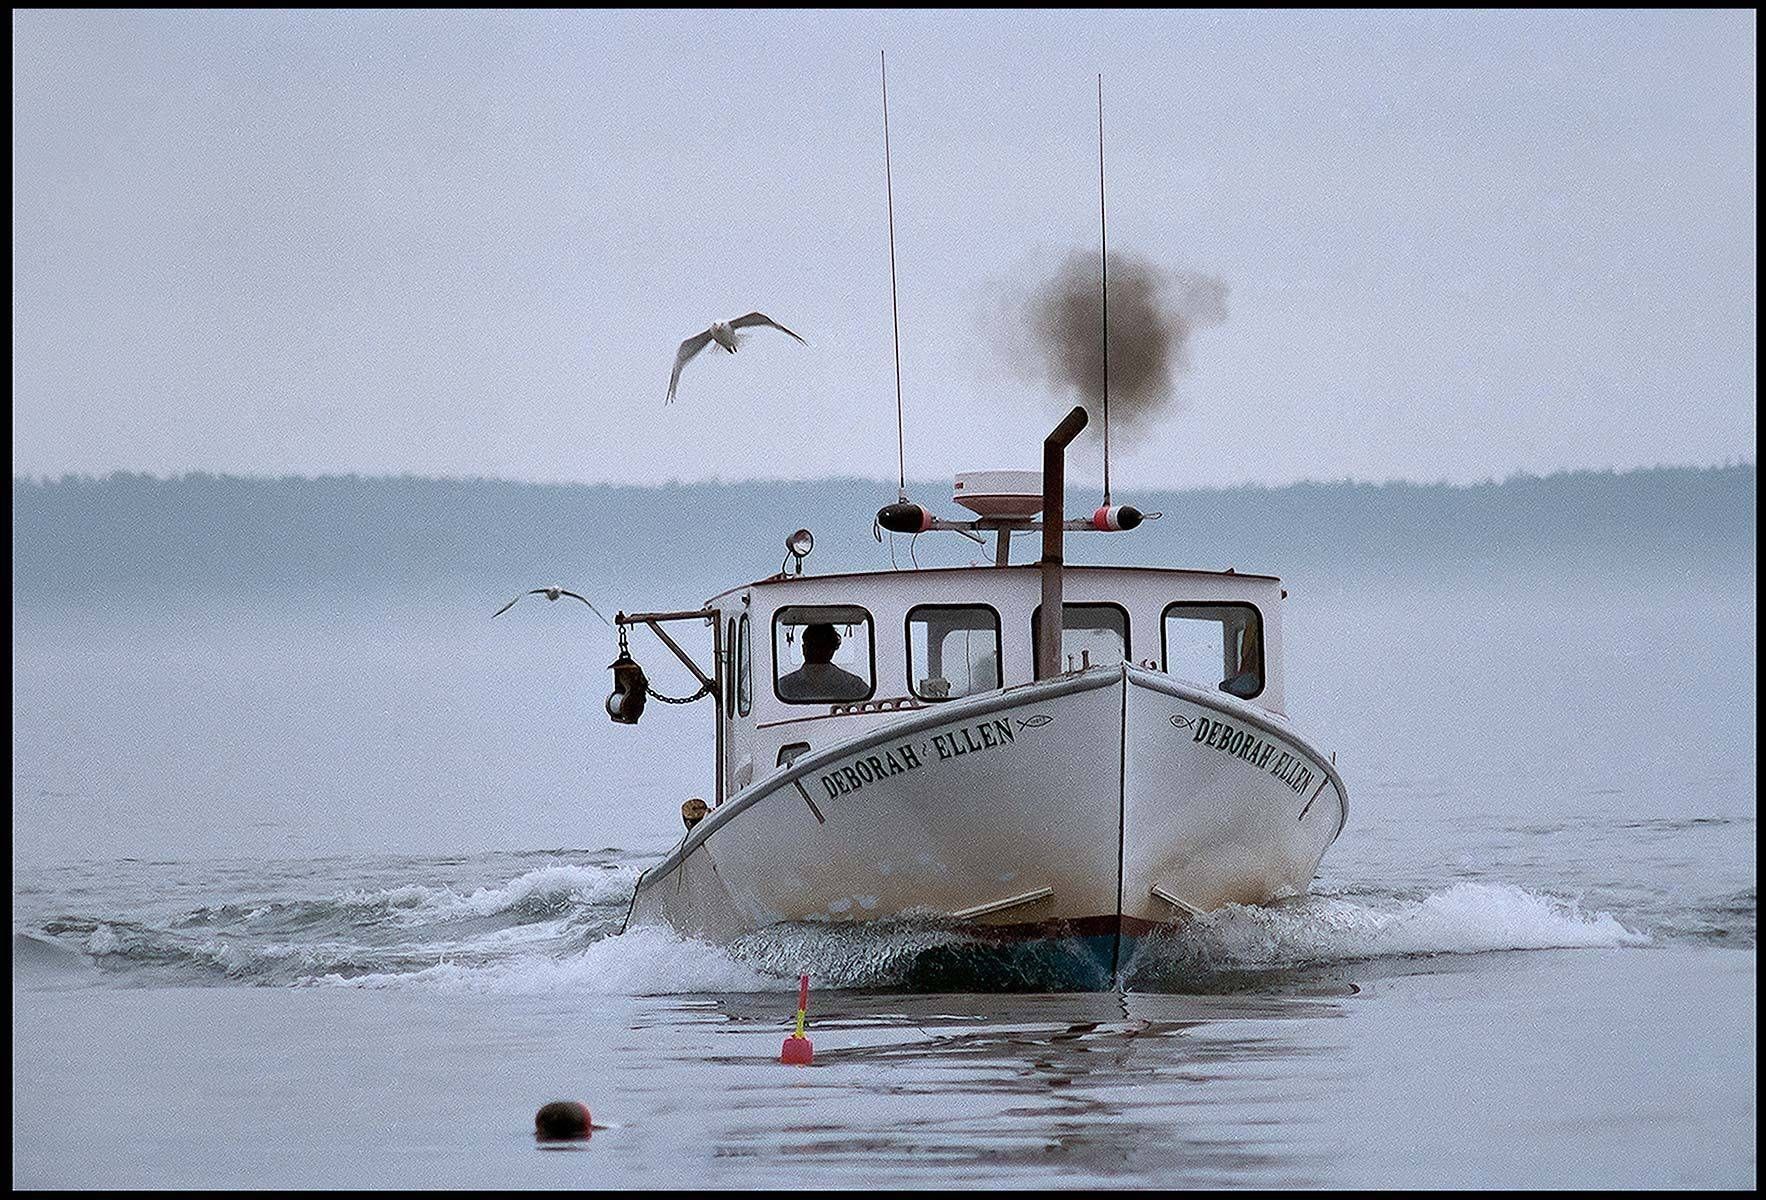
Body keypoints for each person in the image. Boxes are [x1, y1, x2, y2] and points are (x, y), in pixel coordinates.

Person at [778, 623, 870, 702]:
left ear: (804, 649)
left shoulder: (783, 686)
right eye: (814, 645)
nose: (817, 651)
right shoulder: (853, 685)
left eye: (821, 646)